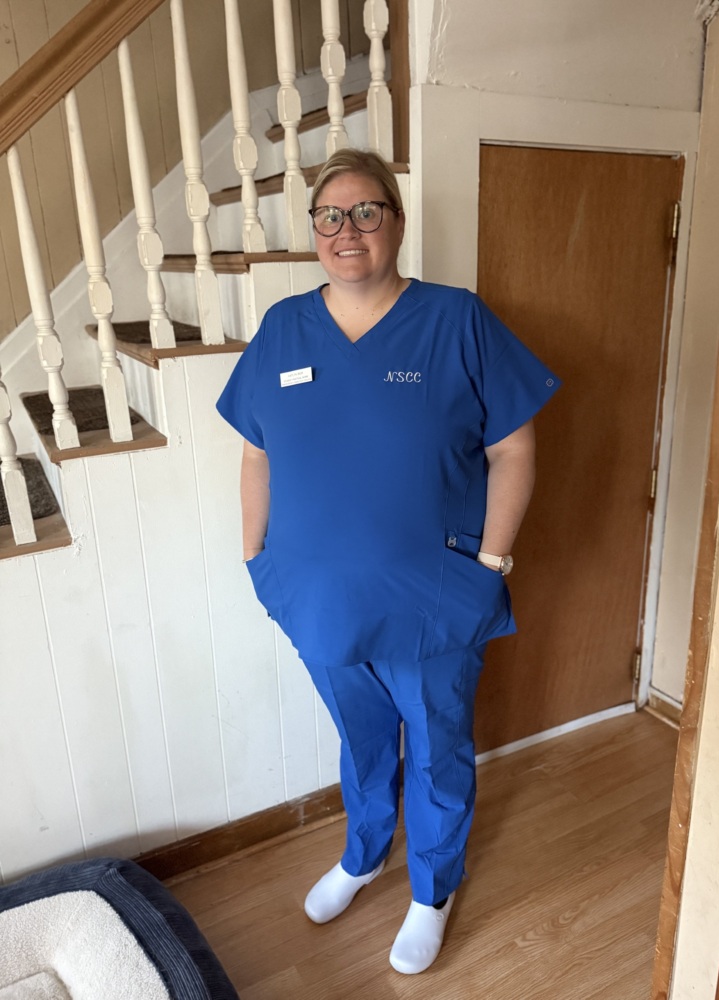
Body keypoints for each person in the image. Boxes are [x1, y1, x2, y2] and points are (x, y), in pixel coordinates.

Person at [216, 148, 560, 975]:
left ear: (396, 222)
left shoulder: (456, 319)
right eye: (329, 216)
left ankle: (432, 890)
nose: (347, 230)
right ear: (314, 232)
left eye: (366, 211)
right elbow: (256, 455)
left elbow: (514, 449)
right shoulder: (282, 331)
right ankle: (364, 855)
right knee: (362, 739)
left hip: (435, 596)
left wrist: (493, 559)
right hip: (316, 597)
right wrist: (256, 558)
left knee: (438, 748)